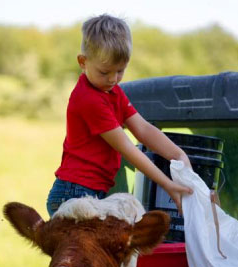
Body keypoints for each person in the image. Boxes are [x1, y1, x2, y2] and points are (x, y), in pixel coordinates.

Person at [46, 13, 192, 217]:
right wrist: (167, 184)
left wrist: (178, 155)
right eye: (104, 72)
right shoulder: (89, 99)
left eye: (120, 71)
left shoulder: (113, 92)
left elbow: (143, 129)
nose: (113, 79)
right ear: (82, 62)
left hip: (93, 193)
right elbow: (127, 149)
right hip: (74, 194)